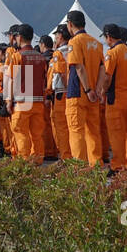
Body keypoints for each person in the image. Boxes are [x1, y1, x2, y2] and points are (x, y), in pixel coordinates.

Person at [64, 10, 106, 167]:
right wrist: (97, 90)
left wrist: (88, 89)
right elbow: (103, 69)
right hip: (93, 94)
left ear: (70, 24)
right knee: (93, 131)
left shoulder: (74, 42)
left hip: (78, 92)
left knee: (76, 132)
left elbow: (79, 68)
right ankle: (96, 165)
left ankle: (79, 168)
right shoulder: (96, 43)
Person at [97, 24, 127, 171]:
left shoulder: (112, 53)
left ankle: (118, 165)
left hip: (116, 98)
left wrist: (102, 92)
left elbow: (107, 77)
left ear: (108, 36)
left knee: (116, 133)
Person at [8, 24, 48, 164]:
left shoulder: (17, 56)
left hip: (22, 103)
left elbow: (12, 80)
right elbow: (44, 79)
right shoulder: (41, 57)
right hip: (38, 102)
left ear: (20, 37)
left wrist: (8, 101)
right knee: (37, 135)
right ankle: (37, 160)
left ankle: (24, 162)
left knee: (21, 133)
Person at [47, 26, 72, 160]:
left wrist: (68, 89)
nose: (55, 38)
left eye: (56, 35)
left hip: (63, 93)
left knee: (61, 128)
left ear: (61, 36)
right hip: (75, 92)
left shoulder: (59, 53)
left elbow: (62, 73)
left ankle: (65, 157)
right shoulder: (74, 48)